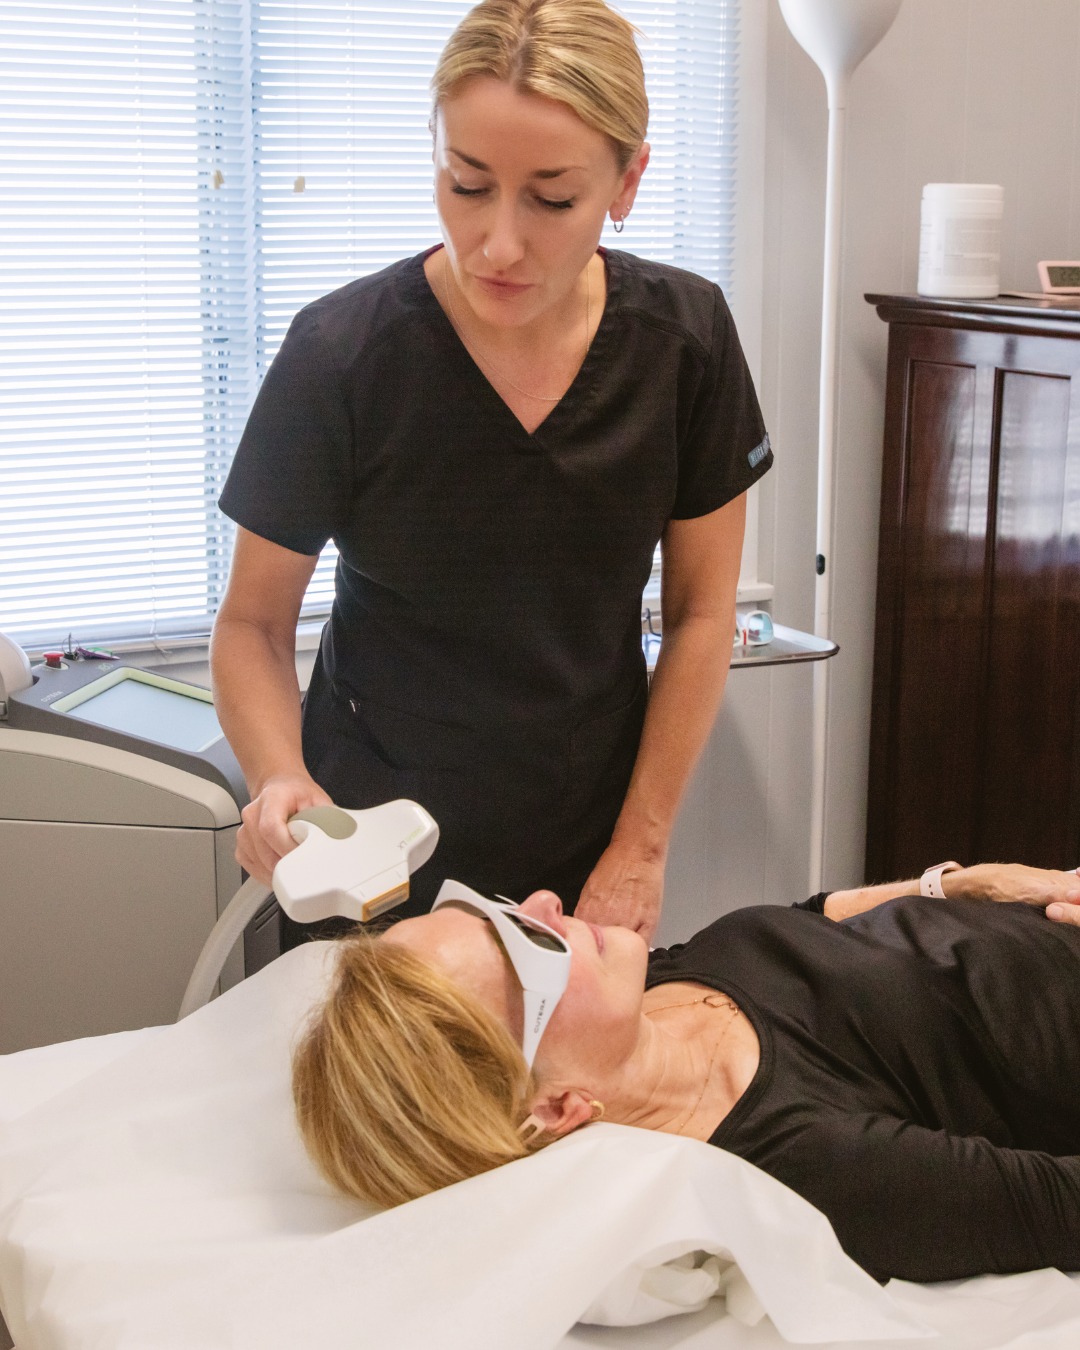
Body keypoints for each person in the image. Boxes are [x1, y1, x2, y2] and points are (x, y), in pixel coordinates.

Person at [210, 0, 772, 943]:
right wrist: (278, 777)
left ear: (627, 182)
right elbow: (253, 626)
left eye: (552, 199)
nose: (499, 244)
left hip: (585, 841)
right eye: (467, 185)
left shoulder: (686, 343)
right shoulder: (342, 356)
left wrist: (641, 847)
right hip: (368, 847)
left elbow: (703, 613)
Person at [291, 863, 1080, 1284]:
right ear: (563, 1106)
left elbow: (808, 923)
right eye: (529, 948)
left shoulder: (648, 991)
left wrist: (961, 882)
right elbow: (1059, 1207)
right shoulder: (804, 1162)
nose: (544, 903)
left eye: (499, 911)